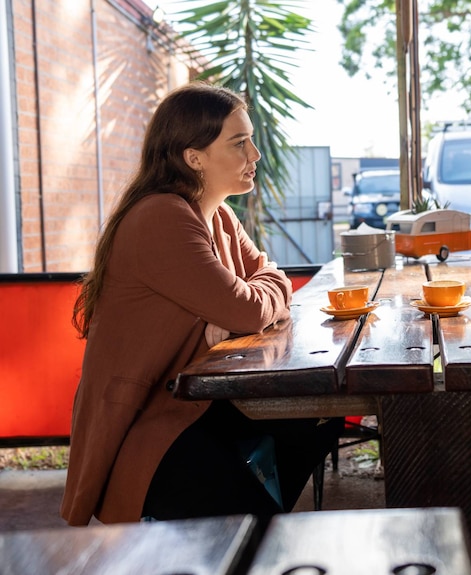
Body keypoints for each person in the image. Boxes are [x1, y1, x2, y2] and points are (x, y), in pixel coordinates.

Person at [60, 82, 343, 526]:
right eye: (238, 143)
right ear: (194, 157)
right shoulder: (161, 217)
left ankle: (246, 515)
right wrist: (238, 314)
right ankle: (233, 523)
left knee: (319, 417)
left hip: (202, 406)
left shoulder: (221, 216)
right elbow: (248, 308)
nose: (255, 154)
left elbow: (272, 282)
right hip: (154, 424)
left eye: (251, 139)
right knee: (259, 530)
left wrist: (235, 318)